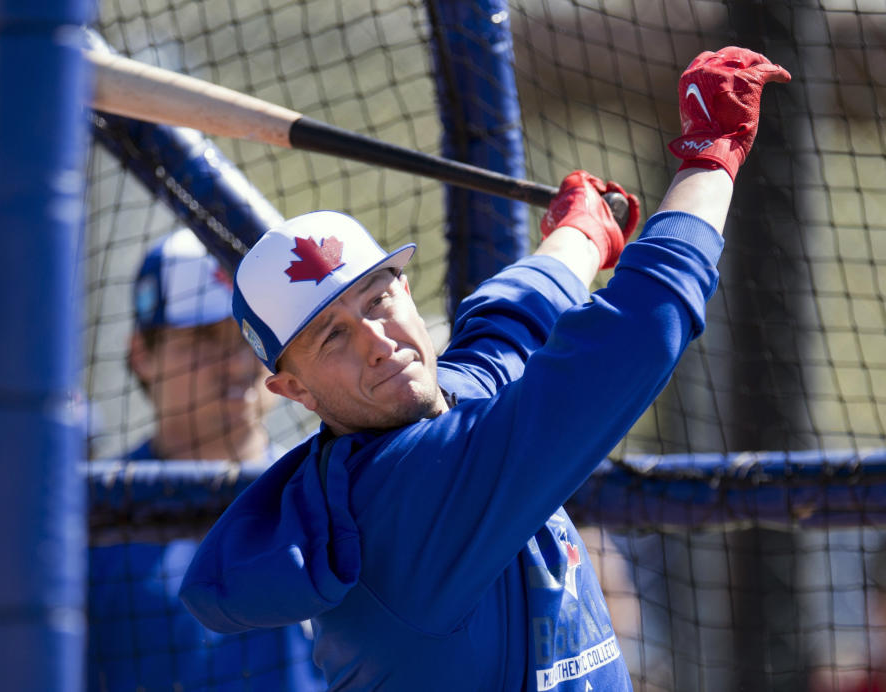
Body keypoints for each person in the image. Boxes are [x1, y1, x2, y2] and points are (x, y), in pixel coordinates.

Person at [179, 47, 790, 690]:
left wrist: (582, 235)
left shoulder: (438, 408)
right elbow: (632, 335)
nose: (378, 342)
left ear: (406, 291)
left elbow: (505, 330)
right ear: (292, 388)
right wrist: (711, 154)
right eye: (332, 337)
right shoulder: (402, 499)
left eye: (378, 299)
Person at [87, 228, 325, 691]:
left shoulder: (334, 494)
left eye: (247, 335)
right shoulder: (87, 517)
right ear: (142, 354)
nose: (235, 363)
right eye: (201, 338)